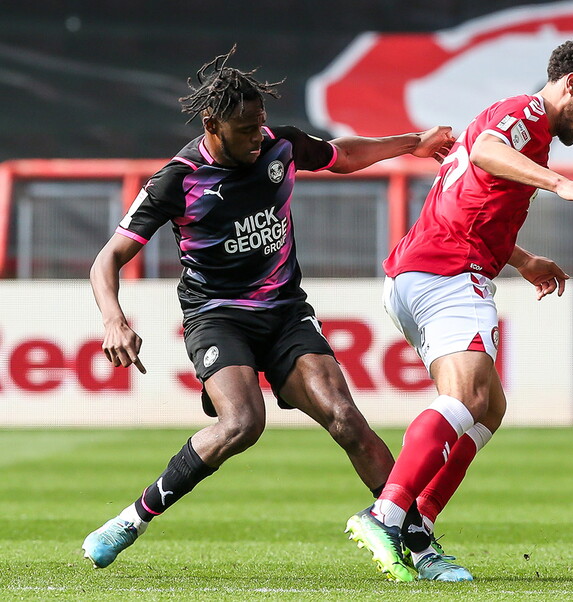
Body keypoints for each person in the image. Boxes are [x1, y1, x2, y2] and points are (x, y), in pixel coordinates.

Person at [81, 47, 455, 569]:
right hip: (216, 315)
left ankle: (417, 545)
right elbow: (107, 259)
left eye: (260, 124)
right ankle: (131, 519)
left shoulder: (279, 145)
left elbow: (343, 156)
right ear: (212, 125)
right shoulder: (178, 178)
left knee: (345, 416)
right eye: (245, 129)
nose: (258, 136)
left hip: (284, 311)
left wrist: (412, 143)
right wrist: (113, 319)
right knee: (242, 424)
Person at [344, 36, 573, 582]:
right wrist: (561, 184)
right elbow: (483, 153)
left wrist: (521, 259)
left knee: (487, 407)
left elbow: (469, 193)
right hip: (447, 272)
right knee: (469, 396)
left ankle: (417, 529)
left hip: (424, 269)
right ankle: (387, 513)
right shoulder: (522, 113)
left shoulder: (528, 130)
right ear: (571, 84)